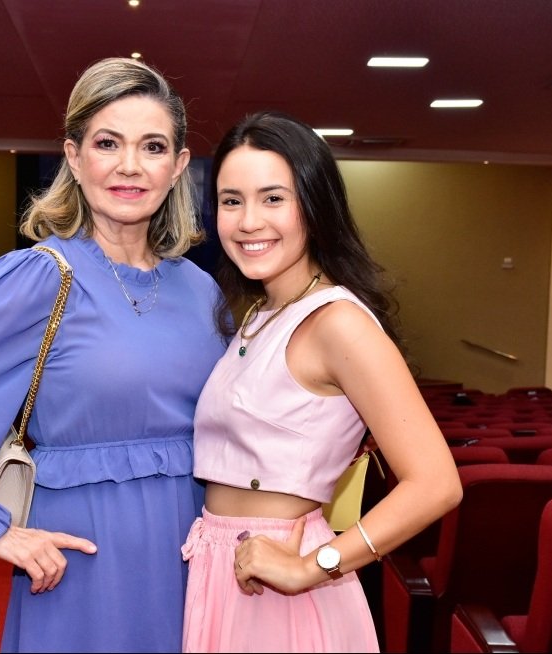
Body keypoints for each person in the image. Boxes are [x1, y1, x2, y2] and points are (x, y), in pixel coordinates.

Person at [0, 57, 226, 653]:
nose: (129, 165)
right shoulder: (40, 277)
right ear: (74, 156)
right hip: (85, 559)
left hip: (195, 553)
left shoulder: (202, 291)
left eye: (152, 146)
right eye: (107, 143)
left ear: (178, 166)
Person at [181, 111, 463, 652]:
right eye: (231, 201)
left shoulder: (338, 322)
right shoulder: (261, 313)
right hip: (224, 573)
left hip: (283, 584)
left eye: (273, 198)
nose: (248, 221)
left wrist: (314, 566)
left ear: (314, 205)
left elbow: (436, 483)